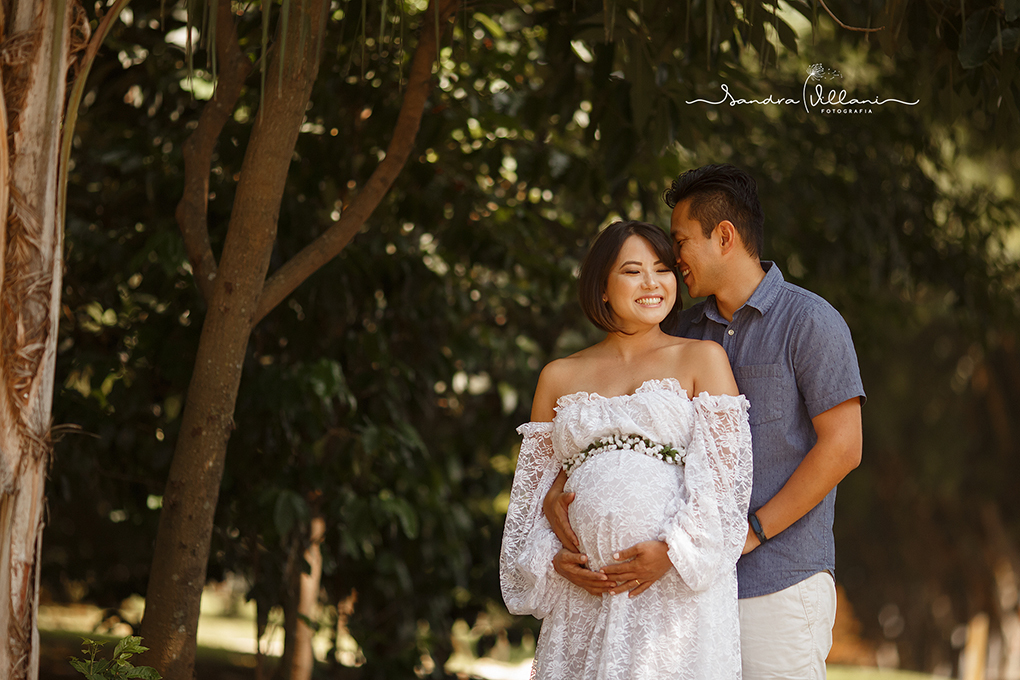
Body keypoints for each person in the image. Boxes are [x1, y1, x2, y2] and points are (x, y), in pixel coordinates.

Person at [545, 165, 866, 680]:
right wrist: (565, 488)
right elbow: (625, 430)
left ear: (724, 236)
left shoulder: (809, 321)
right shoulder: (684, 330)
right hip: (681, 592)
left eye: (679, 242)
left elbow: (843, 448)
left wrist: (751, 533)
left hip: (776, 580)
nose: (673, 260)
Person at [499, 220, 754, 680]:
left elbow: (724, 484)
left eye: (662, 269)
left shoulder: (702, 360)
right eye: (633, 271)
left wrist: (672, 552)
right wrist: (552, 561)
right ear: (601, 287)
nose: (652, 283)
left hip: (671, 595)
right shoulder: (557, 376)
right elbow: (529, 503)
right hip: (583, 598)